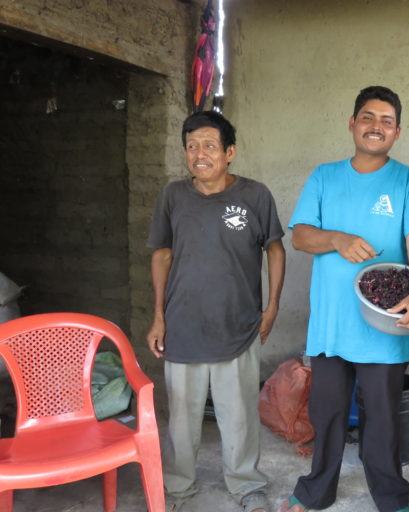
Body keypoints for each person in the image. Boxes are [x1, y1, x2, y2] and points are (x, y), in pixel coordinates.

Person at [283, 86, 409, 512]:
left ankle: (390, 497)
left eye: (387, 121)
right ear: (352, 124)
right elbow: (299, 236)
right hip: (331, 322)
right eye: (368, 117)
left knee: (383, 418)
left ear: (398, 132)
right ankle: (317, 489)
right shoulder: (324, 176)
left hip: (384, 323)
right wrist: (336, 238)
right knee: (327, 411)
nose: (376, 127)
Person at [146, 111, 286, 512]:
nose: (199, 154)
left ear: (230, 153)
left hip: (238, 325)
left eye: (209, 146)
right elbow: (162, 254)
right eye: (191, 146)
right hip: (183, 324)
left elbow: (274, 248)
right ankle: (179, 486)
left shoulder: (255, 196)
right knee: (183, 418)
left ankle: (245, 483)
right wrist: (158, 315)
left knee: (238, 413)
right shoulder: (173, 196)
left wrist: (272, 305)